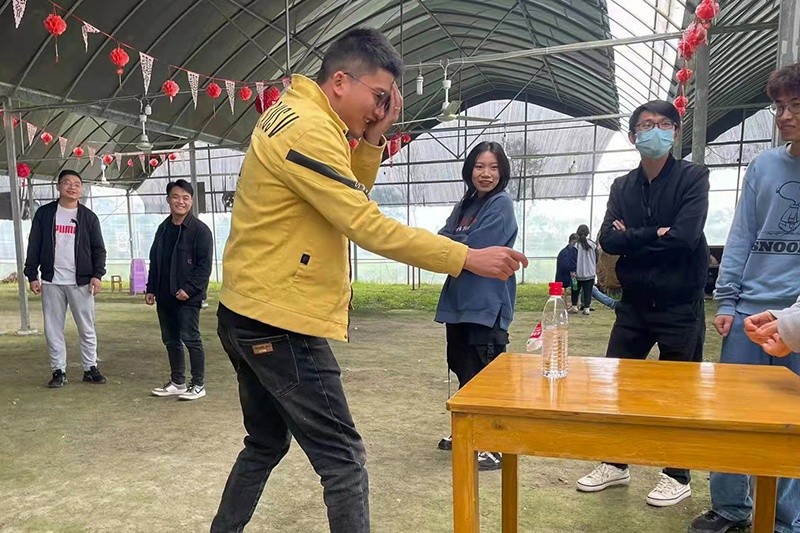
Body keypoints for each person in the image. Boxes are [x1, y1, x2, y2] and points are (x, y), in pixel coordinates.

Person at [210, 28, 527, 533]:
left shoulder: (296, 114)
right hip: (277, 317)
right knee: (344, 460)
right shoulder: (310, 130)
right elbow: (364, 222)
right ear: (340, 81)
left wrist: (374, 138)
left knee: (265, 442)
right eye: (379, 97)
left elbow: (348, 195)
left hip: (248, 308)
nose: (382, 109)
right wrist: (466, 257)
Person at [577, 100, 710, 507]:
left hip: (679, 304)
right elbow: (607, 240)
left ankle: (677, 473)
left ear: (676, 132)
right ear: (633, 136)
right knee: (619, 383)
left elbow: (685, 238)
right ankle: (615, 463)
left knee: (678, 391)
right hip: (633, 304)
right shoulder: (623, 186)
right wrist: (655, 233)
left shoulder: (693, 177)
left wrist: (633, 235)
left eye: (665, 124)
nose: (656, 131)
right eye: (647, 125)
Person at [689, 63, 800, 533]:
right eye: (779, 106)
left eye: (796, 105)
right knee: (730, 414)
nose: (784, 116)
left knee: (792, 423)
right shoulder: (764, 166)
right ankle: (731, 507)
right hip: (750, 313)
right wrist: (728, 302)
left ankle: (784, 518)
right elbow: (741, 236)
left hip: (798, 320)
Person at [434, 141, 518, 471]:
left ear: (502, 172)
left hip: (487, 303)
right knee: (463, 367)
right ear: (470, 170)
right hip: (458, 302)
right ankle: (468, 432)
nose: (486, 173)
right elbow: (440, 241)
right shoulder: (465, 205)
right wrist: (455, 245)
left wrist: (454, 245)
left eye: (494, 167)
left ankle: (494, 443)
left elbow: (478, 246)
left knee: (487, 374)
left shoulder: (501, 204)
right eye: (480, 166)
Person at [24, 169, 107, 388]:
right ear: (58, 186)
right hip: (52, 281)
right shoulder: (45, 214)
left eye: (77, 184)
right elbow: (34, 245)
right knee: (53, 328)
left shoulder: (88, 217)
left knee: (86, 327)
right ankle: (58, 370)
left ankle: (90, 368)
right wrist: (32, 274)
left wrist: (97, 275)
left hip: (82, 281)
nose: (72, 187)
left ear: (81, 189)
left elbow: (99, 249)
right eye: (67, 183)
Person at [145, 179, 213, 401]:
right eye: (175, 197)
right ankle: (178, 382)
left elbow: (204, 266)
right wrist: (151, 288)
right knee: (170, 339)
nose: (180, 201)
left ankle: (198, 384)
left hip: (188, 297)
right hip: (165, 294)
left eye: (185, 198)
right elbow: (155, 260)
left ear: (191, 201)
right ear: (168, 199)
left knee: (191, 339)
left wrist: (190, 289)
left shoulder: (200, 231)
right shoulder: (163, 229)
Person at [572, 224, 598, 315]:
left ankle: (574, 307)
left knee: (575, 290)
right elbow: (597, 258)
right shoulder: (593, 244)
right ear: (588, 233)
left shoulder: (575, 245)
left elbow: (572, 259)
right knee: (588, 291)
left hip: (576, 274)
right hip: (590, 273)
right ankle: (586, 308)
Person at [555, 233, 578, 310]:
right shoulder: (571, 251)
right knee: (575, 286)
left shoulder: (563, 251)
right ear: (572, 241)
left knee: (574, 286)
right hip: (570, 274)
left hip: (565, 275)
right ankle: (574, 305)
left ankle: (572, 304)